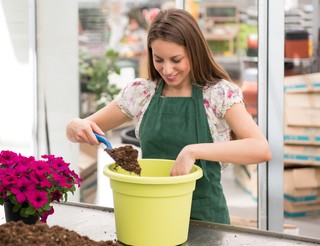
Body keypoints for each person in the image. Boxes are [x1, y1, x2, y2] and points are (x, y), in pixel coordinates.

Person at [66, 8, 271, 225]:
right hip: (150, 214)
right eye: (159, 60)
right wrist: (74, 125)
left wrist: (193, 151)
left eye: (176, 59)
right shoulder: (141, 93)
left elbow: (260, 149)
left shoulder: (218, 94)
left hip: (204, 221)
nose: (167, 69)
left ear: (194, 52)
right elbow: (87, 127)